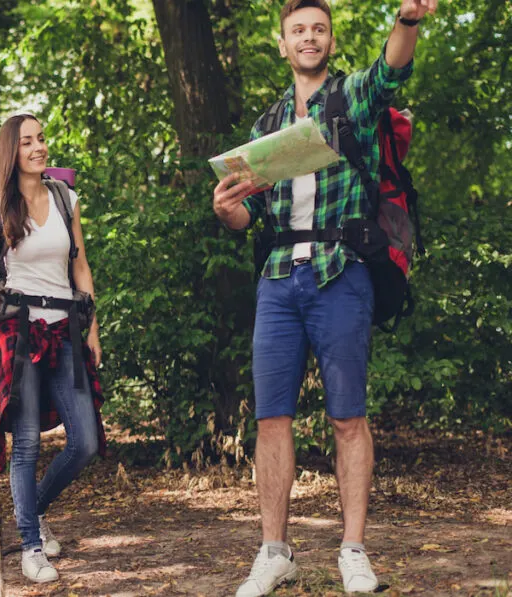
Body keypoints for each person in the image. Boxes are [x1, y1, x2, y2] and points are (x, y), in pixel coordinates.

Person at [211, 1, 437, 594]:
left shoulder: (353, 100)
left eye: (318, 29)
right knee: (271, 419)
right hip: (279, 278)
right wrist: (229, 211)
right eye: (297, 31)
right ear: (282, 45)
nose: (308, 38)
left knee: (347, 417)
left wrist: (407, 20)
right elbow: (248, 214)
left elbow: (391, 70)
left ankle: (354, 552)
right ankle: (274, 552)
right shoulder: (265, 128)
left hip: (343, 272)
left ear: (329, 40)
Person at [0, 113, 105, 583]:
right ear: (12, 150)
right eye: (27, 142)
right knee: (24, 442)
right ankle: (30, 546)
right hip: (18, 331)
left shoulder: (66, 198)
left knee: (84, 441)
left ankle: (33, 510)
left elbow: (80, 265)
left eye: (41, 139)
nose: (39, 147)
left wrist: (92, 326)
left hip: (65, 326)